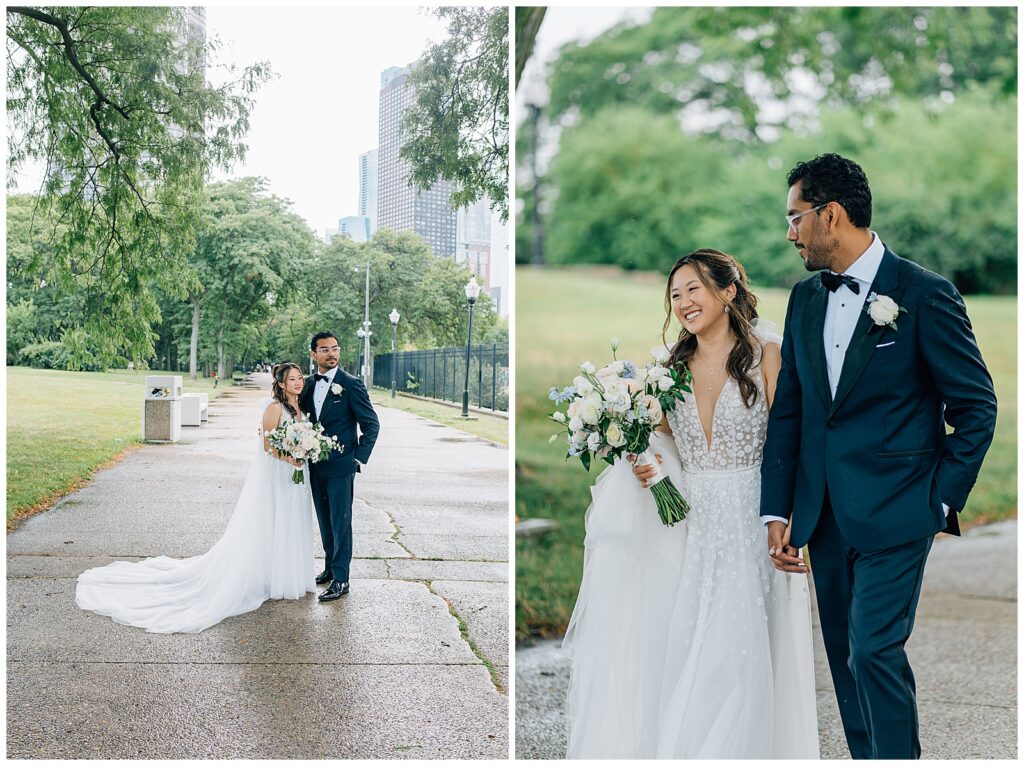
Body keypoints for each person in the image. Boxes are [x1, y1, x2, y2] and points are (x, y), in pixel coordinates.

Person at [761, 153, 997, 758]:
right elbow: (791, 411)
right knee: (844, 657)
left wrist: (939, 498)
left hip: (899, 511)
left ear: (830, 216)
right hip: (826, 514)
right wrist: (777, 510)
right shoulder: (804, 300)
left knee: (873, 649)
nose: (789, 233)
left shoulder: (925, 295)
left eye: (795, 218)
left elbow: (975, 408)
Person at [564, 249, 819, 758]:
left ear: (728, 292)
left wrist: (787, 516)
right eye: (675, 294)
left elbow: (791, 440)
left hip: (752, 515)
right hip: (688, 524)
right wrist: (645, 462)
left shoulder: (765, 354)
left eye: (693, 289)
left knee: (739, 648)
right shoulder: (667, 368)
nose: (683, 302)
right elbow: (661, 444)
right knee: (688, 641)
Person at [75, 363, 316, 633]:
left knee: (290, 523)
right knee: (272, 521)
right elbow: (267, 446)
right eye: (292, 379)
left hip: (296, 476)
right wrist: (293, 459)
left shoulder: (300, 409)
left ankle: (285, 574)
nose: (298, 382)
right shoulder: (274, 409)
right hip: (280, 473)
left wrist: (305, 453)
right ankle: (268, 576)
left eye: (300, 378)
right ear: (281, 384)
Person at [299, 332, 380, 601]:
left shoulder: (351, 385)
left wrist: (357, 458)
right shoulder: (308, 385)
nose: (331, 353)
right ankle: (329, 569)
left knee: (341, 522)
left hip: (341, 467)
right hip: (315, 465)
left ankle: (342, 580)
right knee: (324, 519)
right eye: (324, 350)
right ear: (314, 354)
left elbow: (371, 425)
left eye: (335, 348)